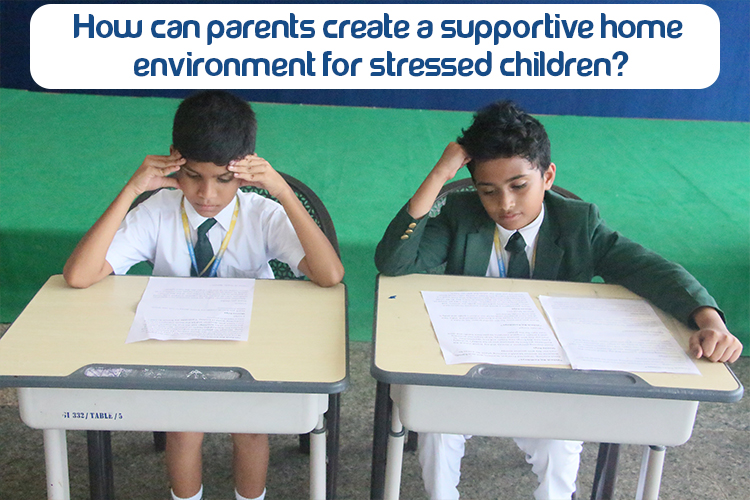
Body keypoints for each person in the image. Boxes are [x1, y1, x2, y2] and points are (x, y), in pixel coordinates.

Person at [374, 100, 742, 500]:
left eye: (519, 186)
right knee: (437, 430)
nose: (505, 204)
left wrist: (709, 319)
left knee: (560, 445)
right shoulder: (462, 215)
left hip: (549, 376)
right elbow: (394, 263)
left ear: (547, 176)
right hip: (468, 364)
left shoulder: (577, 224)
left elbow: (650, 269)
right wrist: (442, 173)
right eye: (488, 191)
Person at [64, 90, 344, 500]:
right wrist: (130, 190)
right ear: (175, 158)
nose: (207, 194)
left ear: (245, 170)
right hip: (175, 350)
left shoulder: (261, 214)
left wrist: (283, 192)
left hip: (251, 347)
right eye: (193, 176)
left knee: (250, 429)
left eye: (223, 180)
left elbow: (330, 275)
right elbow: (78, 276)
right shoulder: (157, 210)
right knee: (183, 426)